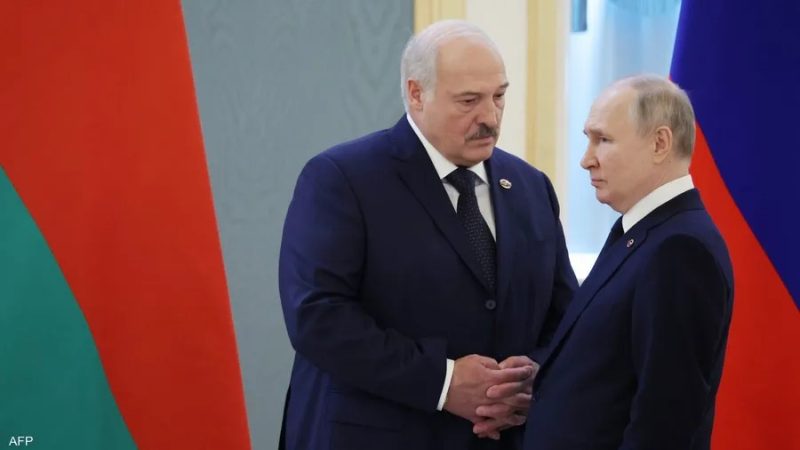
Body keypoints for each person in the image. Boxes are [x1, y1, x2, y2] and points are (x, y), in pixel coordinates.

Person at [278, 20, 576, 450]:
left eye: (499, 96)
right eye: (469, 101)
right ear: (416, 94)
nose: (490, 118)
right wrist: (444, 381)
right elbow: (317, 317)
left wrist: (528, 380)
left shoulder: (530, 187)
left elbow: (566, 318)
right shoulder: (343, 179)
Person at [516, 75, 734, 449]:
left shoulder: (680, 249)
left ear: (660, 143)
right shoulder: (640, 231)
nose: (586, 160)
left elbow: (665, 419)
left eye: (603, 140)